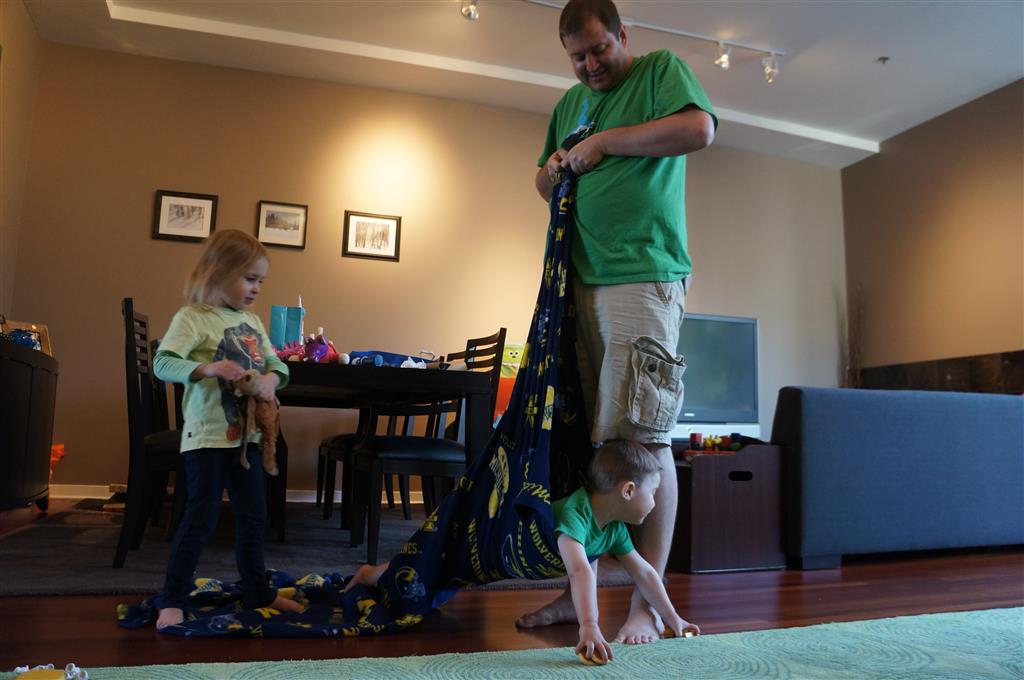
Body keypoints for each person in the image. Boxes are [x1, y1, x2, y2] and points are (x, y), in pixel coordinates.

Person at [525, 0, 717, 645]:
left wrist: (604, 143)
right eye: (577, 57)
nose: (590, 65)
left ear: (622, 36)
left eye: (599, 49)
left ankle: (647, 608)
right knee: (595, 446)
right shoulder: (568, 105)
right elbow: (544, 184)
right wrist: (554, 168)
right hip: (580, 279)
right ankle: (576, 590)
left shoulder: (658, 71)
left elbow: (699, 129)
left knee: (643, 441)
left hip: (643, 272)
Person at [346, 441, 699, 663]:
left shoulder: (614, 529)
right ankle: (369, 573)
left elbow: (645, 573)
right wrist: (590, 627)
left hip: (506, 562)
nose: (655, 503)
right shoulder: (575, 515)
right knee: (425, 568)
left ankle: (381, 573)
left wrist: (673, 619)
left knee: (437, 576)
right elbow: (580, 571)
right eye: (653, 493)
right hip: (490, 542)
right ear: (628, 491)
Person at [151, 229, 304, 630]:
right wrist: (207, 368)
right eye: (250, 279)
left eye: (260, 281)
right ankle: (172, 597)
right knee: (200, 518)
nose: (257, 289)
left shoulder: (252, 322)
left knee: (254, 517)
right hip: (206, 437)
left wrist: (271, 379)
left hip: (247, 441)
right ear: (218, 273)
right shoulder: (192, 318)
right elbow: (162, 363)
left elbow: (277, 363)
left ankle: (258, 591)